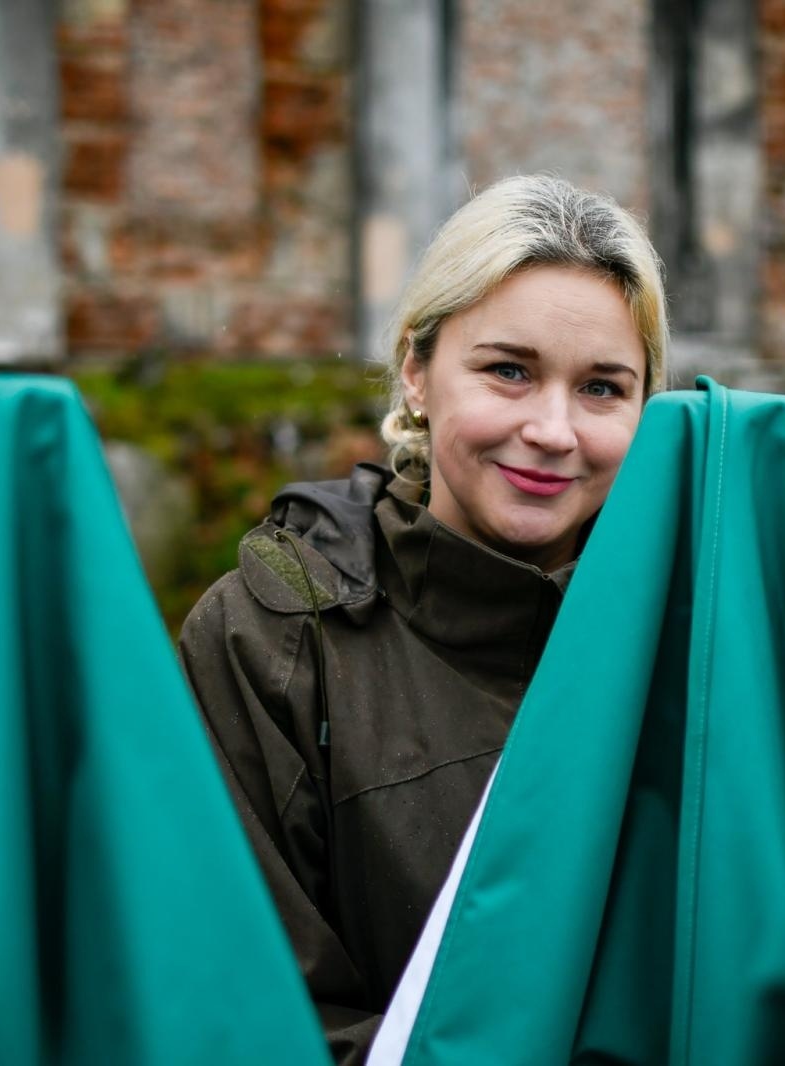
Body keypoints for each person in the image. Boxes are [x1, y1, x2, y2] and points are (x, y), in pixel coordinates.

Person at [178, 174, 669, 1064]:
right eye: (508, 371)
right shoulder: (272, 641)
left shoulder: (699, 643)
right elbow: (251, 1012)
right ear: (416, 369)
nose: (554, 430)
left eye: (602, 388)